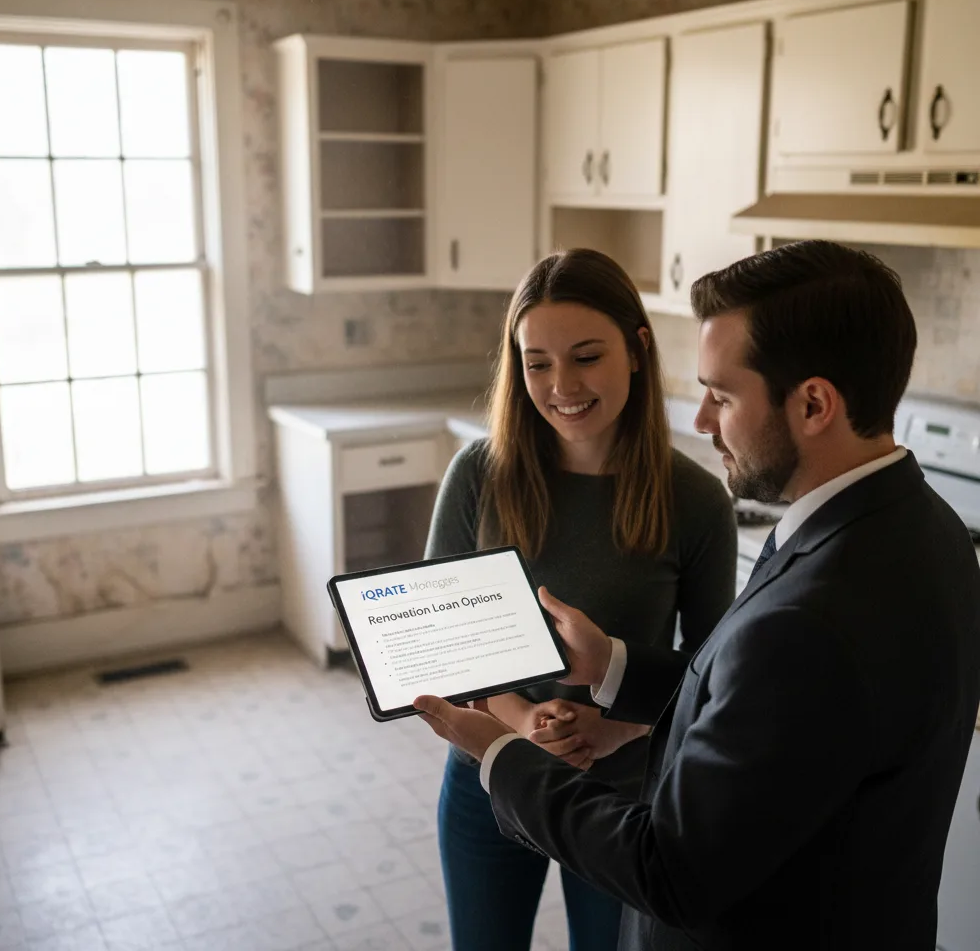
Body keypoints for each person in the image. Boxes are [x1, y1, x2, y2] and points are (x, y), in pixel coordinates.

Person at [415, 240, 980, 951]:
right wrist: (616, 667)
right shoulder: (930, 530)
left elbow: (668, 869)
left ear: (813, 403)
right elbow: (751, 700)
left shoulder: (808, 616)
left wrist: (501, 750)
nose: (705, 421)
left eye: (722, 394)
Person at [423, 248, 737, 951]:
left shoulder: (694, 501)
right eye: (537, 362)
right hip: (489, 779)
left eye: (587, 356)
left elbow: (715, 677)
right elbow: (445, 643)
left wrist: (612, 730)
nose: (562, 385)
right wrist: (525, 717)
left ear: (637, 349)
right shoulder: (479, 474)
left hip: (623, 802)